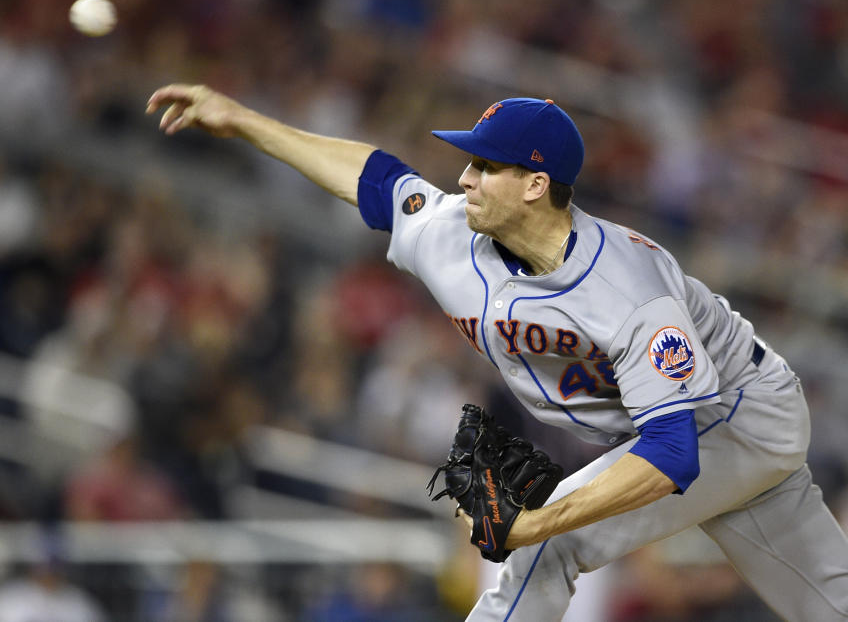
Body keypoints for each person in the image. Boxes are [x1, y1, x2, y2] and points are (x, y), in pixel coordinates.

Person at [146, 85, 848, 621]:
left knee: (546, 545)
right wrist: (242, 119)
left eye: (485, 165)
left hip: (733, 414)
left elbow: (672, 453)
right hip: (687, 430)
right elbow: (374, 177)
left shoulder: (630, 288)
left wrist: (535, 521)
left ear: (536, 185)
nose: (464, 179)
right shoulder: (454, 235)